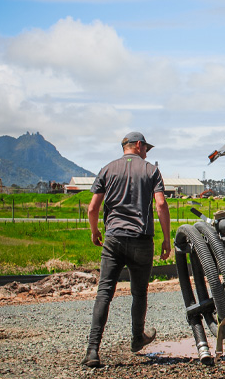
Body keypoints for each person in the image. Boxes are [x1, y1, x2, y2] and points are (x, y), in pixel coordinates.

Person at [82, 132, 171, 367]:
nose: (146, 153)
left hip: (113, 239)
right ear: (138, 145)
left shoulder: (108, 169)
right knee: (139, 293)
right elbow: (161, 204)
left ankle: (92, 350)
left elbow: (92, 208)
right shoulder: (151, 170)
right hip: (142, 240)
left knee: (104, 293)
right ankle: (136, 338)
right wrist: (166, 239)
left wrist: (94, 231)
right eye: (146, 149)